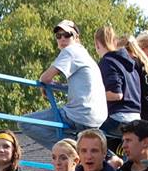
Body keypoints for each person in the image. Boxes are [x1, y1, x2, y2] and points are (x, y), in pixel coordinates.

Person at [22, 20, 108, 149]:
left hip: (80, 114)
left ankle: (72, 149)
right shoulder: (85, 54)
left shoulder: (70, 51)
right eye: (58, 36)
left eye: (67, 35)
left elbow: (45, 78)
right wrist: (55, 86)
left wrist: (45, 85)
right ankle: (100, 153)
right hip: (97, 117)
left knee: (25, 123)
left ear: (76, 37)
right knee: (59, 130)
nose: (62, 38)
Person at [95, 25, 141, 141]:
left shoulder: (107, 62)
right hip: (136, 118)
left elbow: (116, 94)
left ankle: (112, 158)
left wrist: (93, 96)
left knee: (84, 133)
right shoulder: (130, 64)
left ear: (97, 44)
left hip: (120, 118)